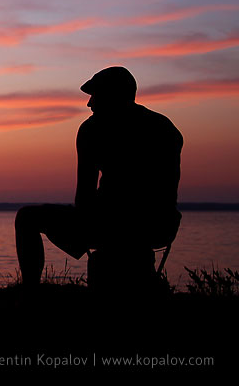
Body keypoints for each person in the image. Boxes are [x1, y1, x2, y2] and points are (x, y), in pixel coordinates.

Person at [14, 66, 184, 286]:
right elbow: (168, 190)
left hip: (115, 223)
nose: (89, 103)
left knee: (27, 217)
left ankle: (30, 292)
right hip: (161, 226)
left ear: (111, 95)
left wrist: (81, 227)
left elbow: (84, 195)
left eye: (94, 95)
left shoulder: (92, 130)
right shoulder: (165, 127)